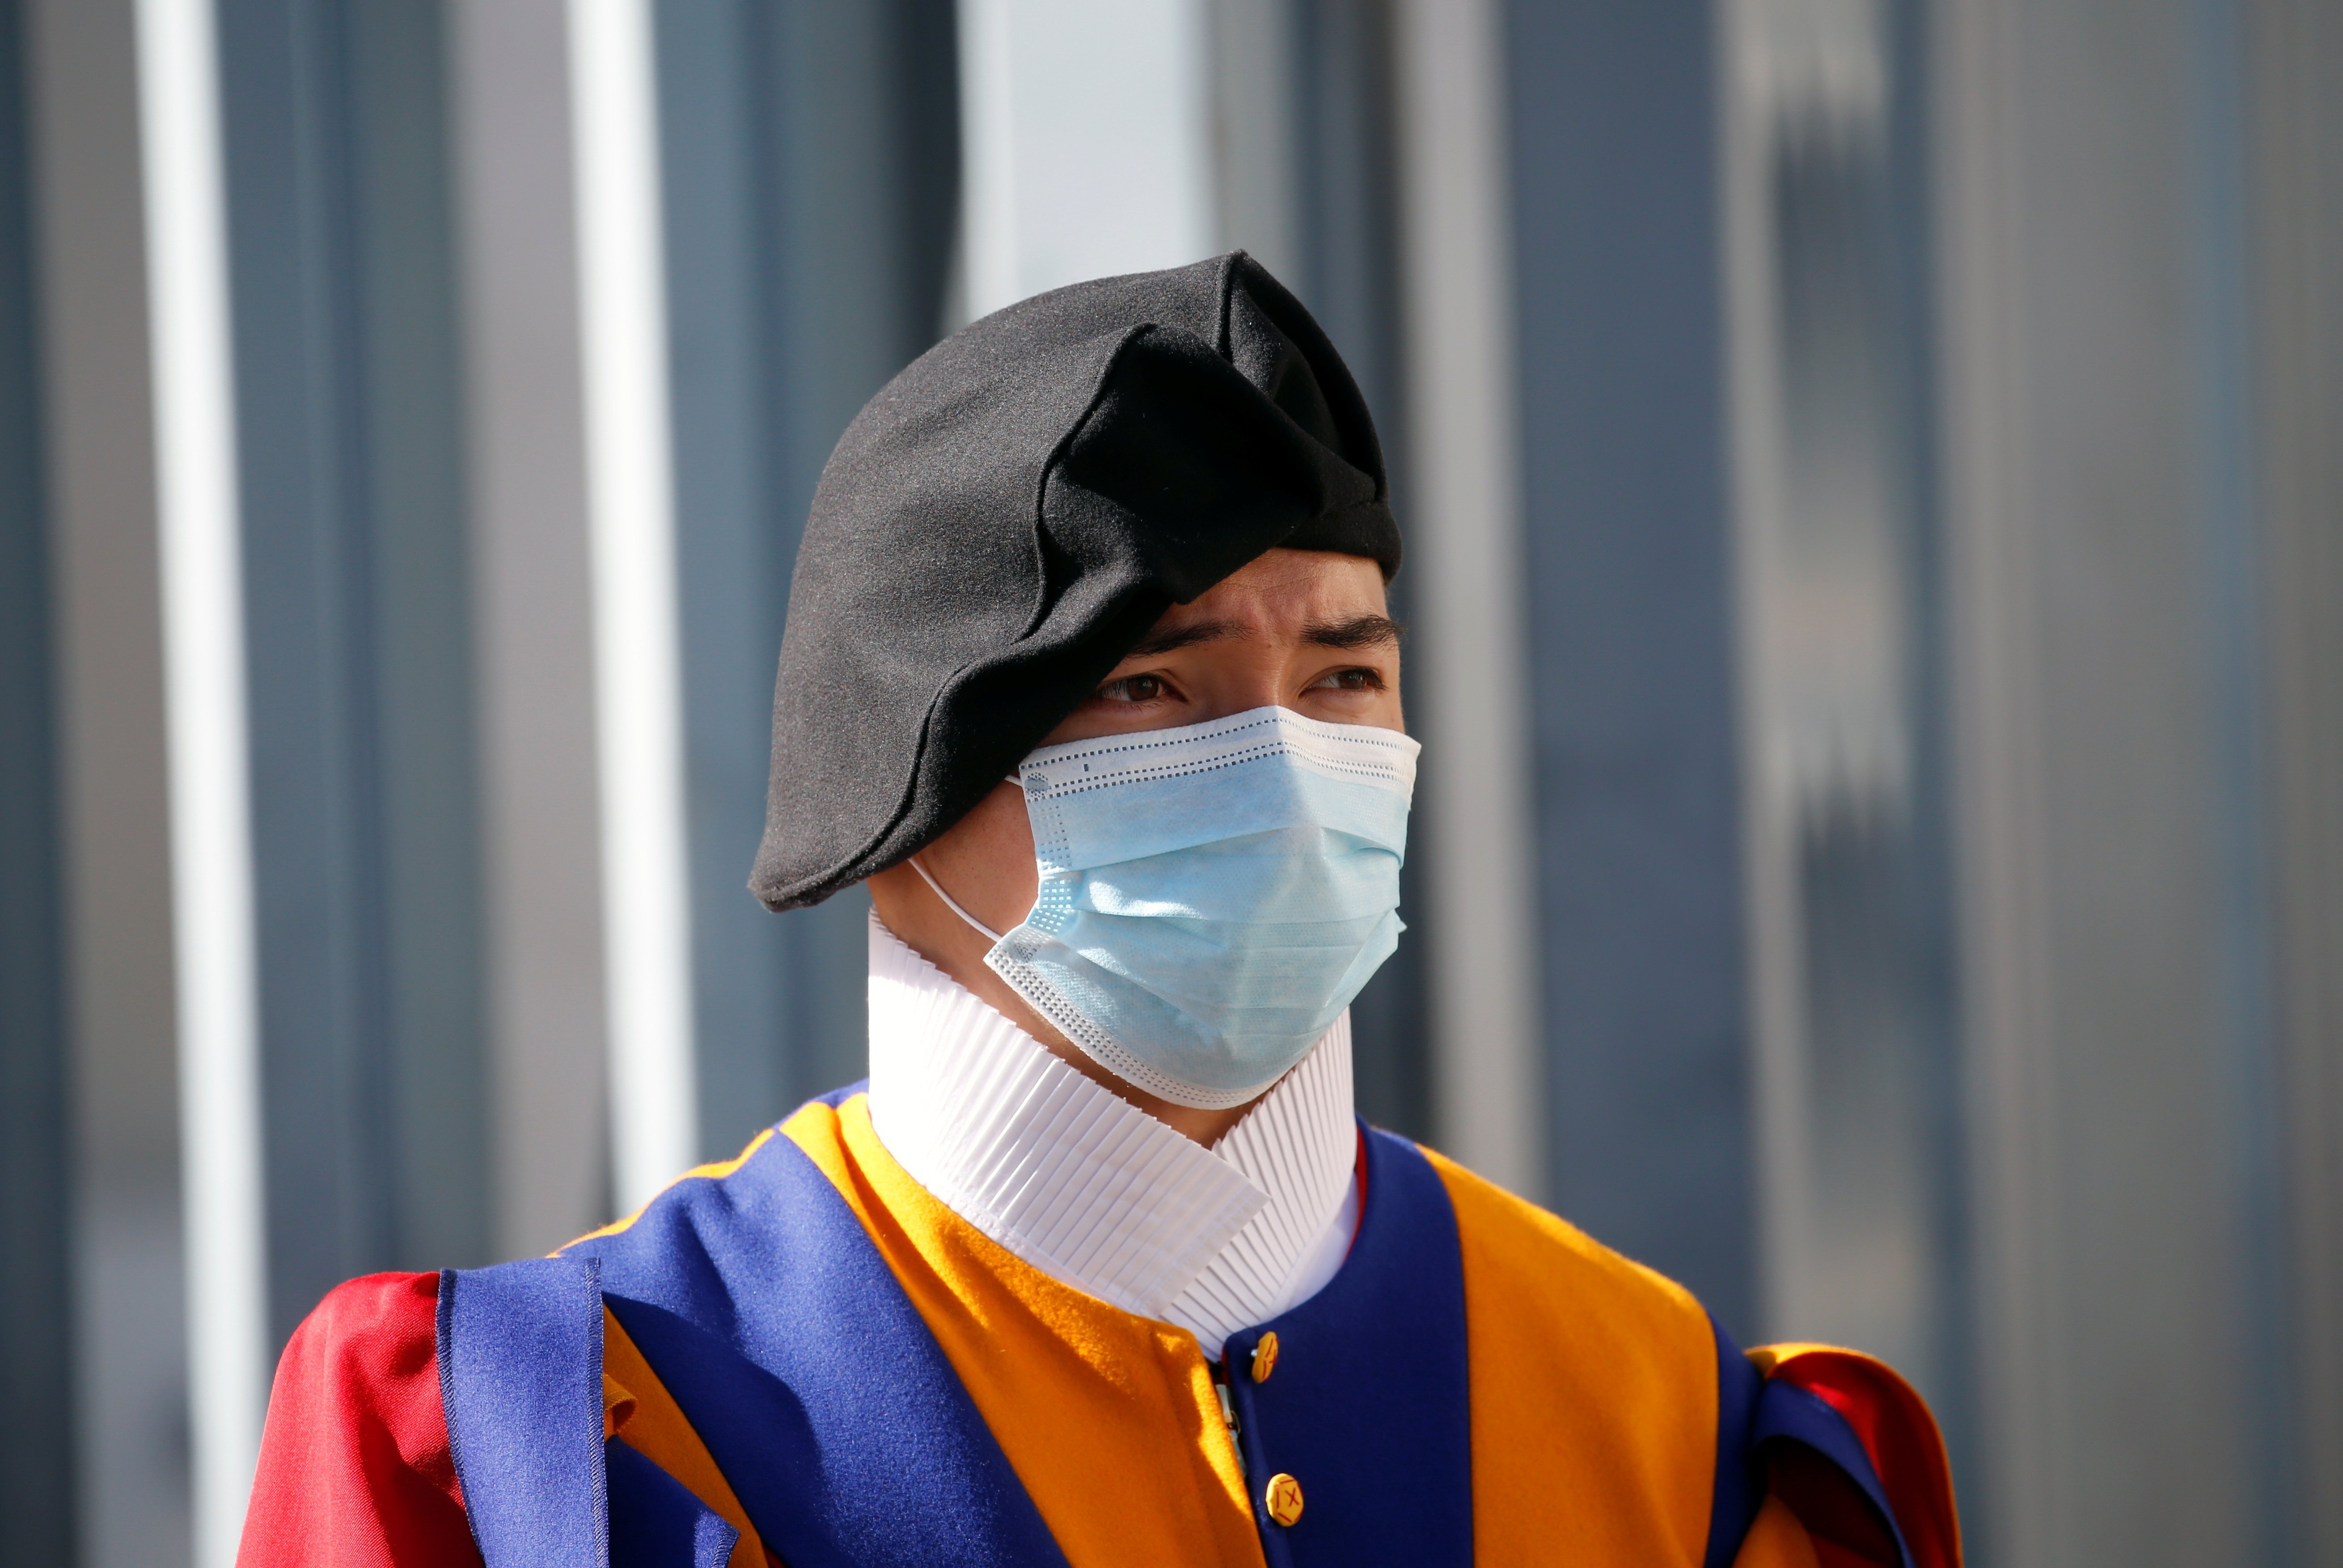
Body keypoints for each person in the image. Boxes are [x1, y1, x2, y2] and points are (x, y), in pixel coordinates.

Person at [238, 253, 1958, 1568]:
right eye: (1151, 684)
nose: (1287, 760)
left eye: (1347, 671)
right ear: (904, 784)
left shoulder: (1678, 1428)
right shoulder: (553, 1447)